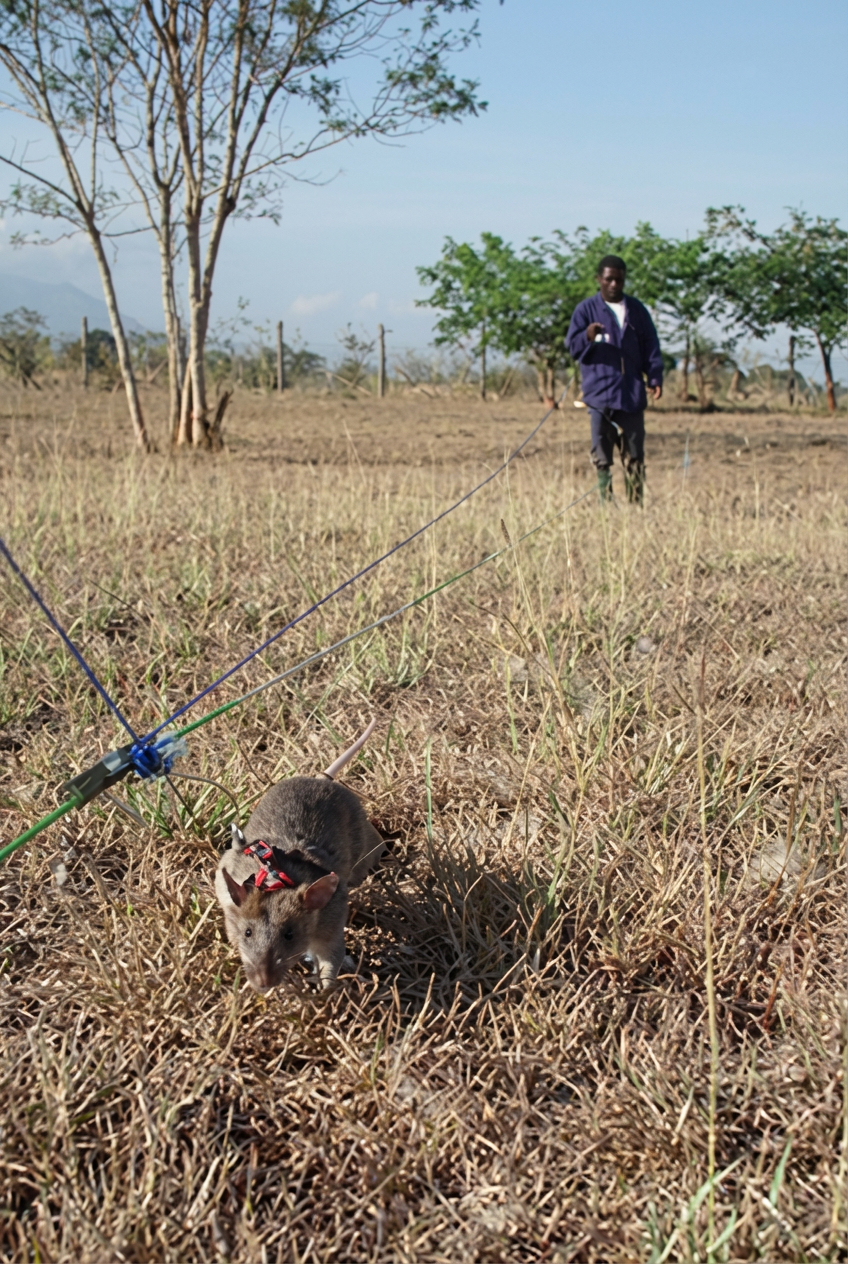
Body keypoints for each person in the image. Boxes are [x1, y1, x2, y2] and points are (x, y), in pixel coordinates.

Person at [566, 255, 663, 503]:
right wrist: (587, 336)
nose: (614, 285)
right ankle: (606, 503)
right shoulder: (586, 310)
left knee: (635, 453)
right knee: (602, 453)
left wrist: (655, 377)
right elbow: (573, 347)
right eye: (609, 279)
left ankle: (635, 503)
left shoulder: (637, 310)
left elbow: (651, 345)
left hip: (631, 394)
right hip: (600, 395)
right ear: (599, 279)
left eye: (619, 280)